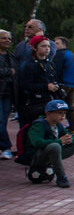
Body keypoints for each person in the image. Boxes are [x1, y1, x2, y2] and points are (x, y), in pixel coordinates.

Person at [22, 99, 74, 188]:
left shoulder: (58, 125)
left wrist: (70, 139)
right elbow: (37, 143)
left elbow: (70, 138)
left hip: (54, 152)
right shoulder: (38, 125)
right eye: (59, 113)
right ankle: (61, 177)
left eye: (64, 113)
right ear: (48, 113)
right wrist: (60, 141)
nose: (63, 116)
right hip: (38, 156)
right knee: (55, 146)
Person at [19, 35, 62, 128]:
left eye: (48, 46)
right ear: (35, 48)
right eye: (43, 46)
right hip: (35, 103)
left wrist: (56, 87)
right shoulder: (29, 65)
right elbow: (25, 84)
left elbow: (54, 79)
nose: (47, 49)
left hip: (49, 100)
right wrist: (46, 86)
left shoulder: (50, 64)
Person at [52, 36, 74, 134]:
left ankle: (56, 128)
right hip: (72, 84)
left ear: (63, 44)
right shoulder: (72, 55)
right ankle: (73, 128)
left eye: (57, 43)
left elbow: (57, 70)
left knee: (57, 106)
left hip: (63, 84)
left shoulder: (60, 54)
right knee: (70, 107)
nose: (54, 45)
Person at [0, 30, 17, 159]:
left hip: (8, 92)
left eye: (9, 38)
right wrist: (8, 71)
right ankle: (5, 146)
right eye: (3, 38)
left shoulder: (11, 56)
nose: (7, 40)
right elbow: (11, 71)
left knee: (3, 120)